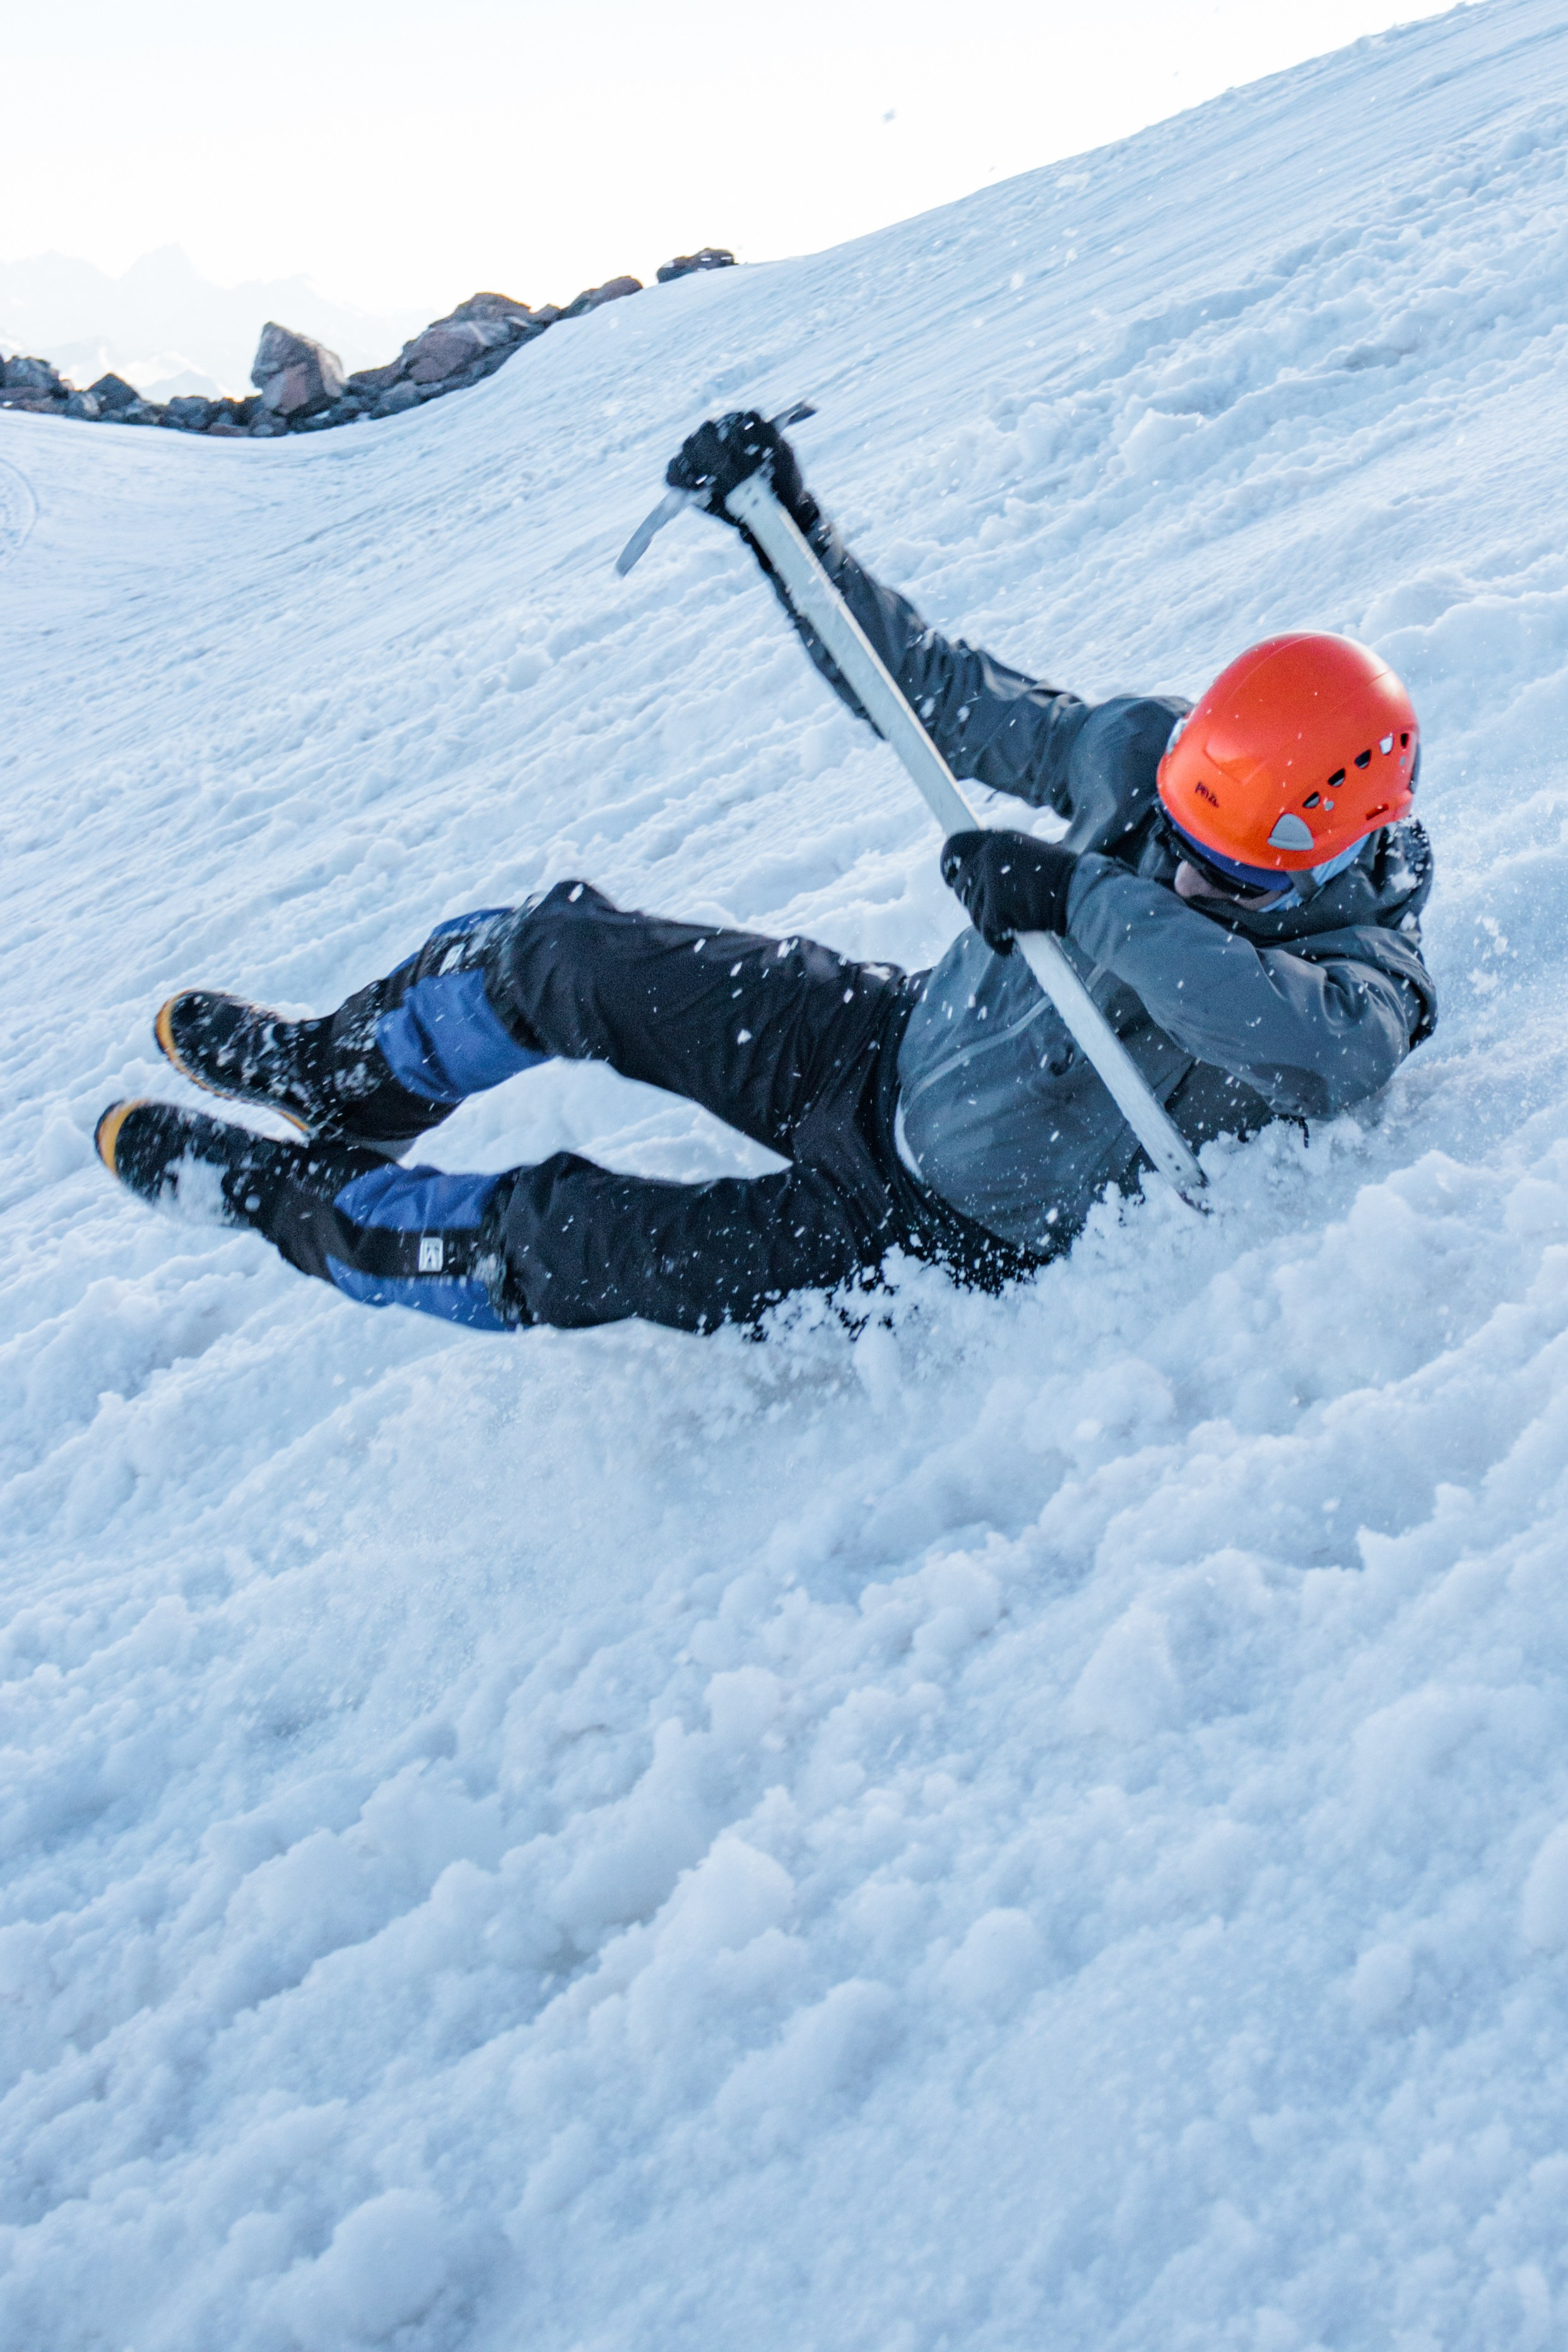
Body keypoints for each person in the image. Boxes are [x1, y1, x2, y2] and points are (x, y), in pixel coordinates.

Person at [95, 411, 1437, 1336]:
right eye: (1172, 833)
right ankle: (349, 1077)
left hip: (909, 1233)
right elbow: (941, 700)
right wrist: (789, 529)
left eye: (1226, 870)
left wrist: (1087, 898)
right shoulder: (1146, 759)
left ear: (1327, 844)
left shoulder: (1365, 978)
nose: (1181, 864)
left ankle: (284, 1203)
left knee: (560, 1236)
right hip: (875, 1039)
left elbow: (1288, 1036)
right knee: (558, 954)